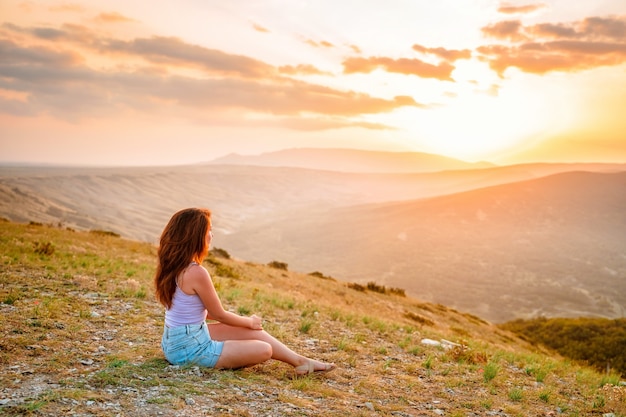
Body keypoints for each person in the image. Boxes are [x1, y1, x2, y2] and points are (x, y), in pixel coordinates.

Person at [154, 207, 336, 376]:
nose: (212, 234)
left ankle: (301, 361)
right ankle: (297, 361)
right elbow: (219, 315)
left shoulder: (173, 266)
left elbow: (202, 312)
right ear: (196, 235)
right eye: (209, 229)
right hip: (189, 349)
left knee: (244, 330)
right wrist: (250, 322)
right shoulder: (196, 272)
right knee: (265, 350)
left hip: (176, 341)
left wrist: (245, 325)